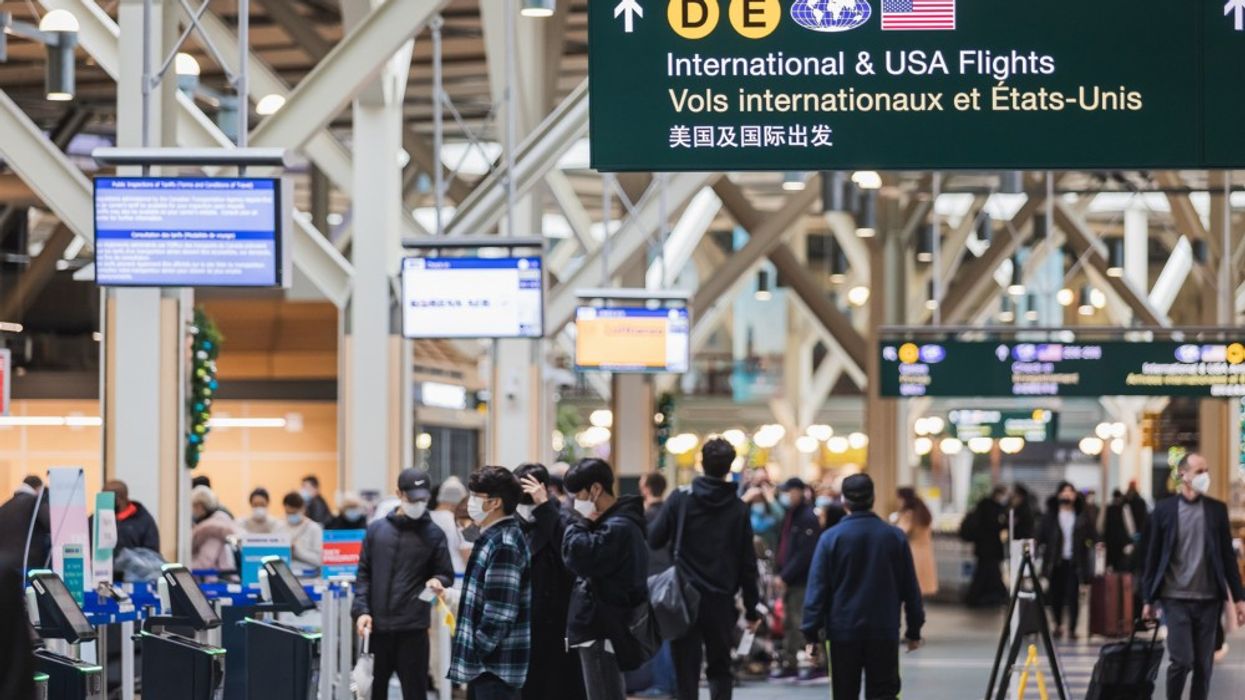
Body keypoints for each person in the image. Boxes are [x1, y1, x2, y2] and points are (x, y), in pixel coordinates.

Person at [649, 438, 762, 700]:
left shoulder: (680, 498)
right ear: (729, 467)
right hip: (721, 600)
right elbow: (747, 564)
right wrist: (752, 606)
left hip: (684, 597)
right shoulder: (738, 508)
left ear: (701, 463)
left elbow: (655, 538)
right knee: (720, 668)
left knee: (685, 671)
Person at [802, 474, 925, 700]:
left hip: (842, 632)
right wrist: (914, 629)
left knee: (844, 693)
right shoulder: (894, 537)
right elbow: (910, 587)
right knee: (884, 693)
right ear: (873, 498)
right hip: (884, 629)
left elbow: (817, 590)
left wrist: (811, 635)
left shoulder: (830, 538)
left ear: (844, 501)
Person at [1141, 453, 1245, 700]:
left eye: (1206, 470)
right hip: (1174, 598)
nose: (1204, 476)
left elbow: (1227, 560)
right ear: (1183, 475)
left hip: (1209, 600)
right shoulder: (1164, 510)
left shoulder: (1216, 510)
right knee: (1181, 660)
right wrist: (1147, 599)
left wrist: (1240, 600)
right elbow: (1152, 558)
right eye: (1199, 471)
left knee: (1203, 664)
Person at [353, 468, 454, 700]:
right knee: (371, 693)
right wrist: (361, 611)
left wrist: (438, 581)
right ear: (399, 493)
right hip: (376, 630)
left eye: (423, 499)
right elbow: (364, 575)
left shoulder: (434, 534)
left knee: (415, 693)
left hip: (413, 631)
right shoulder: (377, 531)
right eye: (412, 498)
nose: (418, 504)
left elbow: (445, 572)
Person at [562, 458, 649, 700]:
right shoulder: (619, 522)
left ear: (596, 489)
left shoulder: (617, 527)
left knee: (603, 692)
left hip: (602, 626)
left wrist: (581, 522)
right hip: (604, 625)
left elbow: (576, 554)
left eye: (577, 494)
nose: (574, 502)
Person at [447, 466, 532, 700]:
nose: (471, 501)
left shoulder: (503, 543)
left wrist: (476, 648)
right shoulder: (492, 536)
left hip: (496, 666)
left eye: (476, 496)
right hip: (489, 666)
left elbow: (501, 613)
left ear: (495, 503)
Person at [513, 463, 585, 700]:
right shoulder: (512, 520)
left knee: (558, 686)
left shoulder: (563, 517)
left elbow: (571, 554)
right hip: (521, 623)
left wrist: (544, 506)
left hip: (557, 623)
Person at [771, 477, 821, 680]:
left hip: (802, 580)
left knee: (804, 623)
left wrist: (785, 575)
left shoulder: (807, 517)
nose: (786, 496)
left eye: (789, 491)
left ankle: (817, 664)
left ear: (800, 491)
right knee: (790, 623)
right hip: (791, 579)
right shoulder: (791, 515)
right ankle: (790, 663)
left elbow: (805, 553)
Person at [1037, 482, 1095, 639]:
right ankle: (1057, 625)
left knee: (1073, 595)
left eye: (1070, 491)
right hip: (1055, 562)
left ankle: (1072, 628)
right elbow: (1040, 537)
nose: (1067, 494)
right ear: (1058, 495)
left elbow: (1093, 536)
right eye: (1064, 491)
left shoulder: (1082, 517)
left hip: (1075, 562)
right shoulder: (1050, 517)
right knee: (1055, 595)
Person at [960, 485, 1008, 607]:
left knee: (984, 573)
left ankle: (977, 598)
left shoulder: (983, 506)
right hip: (989, 548)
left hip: (982, 548)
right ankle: (998, 596)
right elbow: (995, 526)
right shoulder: (994, 509)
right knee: (988, 574)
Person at [0, 476, 49, 573]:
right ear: (38, 488)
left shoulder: (4, 506)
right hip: (28, 563)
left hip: (4, 565)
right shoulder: (35, 502)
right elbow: (50, 523)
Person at [896, 487, 938, 597]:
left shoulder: (908, 514)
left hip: (914, 552)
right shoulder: (923, 511)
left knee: (912, 586)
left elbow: (901, 531)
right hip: (926, 552)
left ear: (903, 499)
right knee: (920, 589)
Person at [103, 480, 160, 557]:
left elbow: (152, 554)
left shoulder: (143, 521)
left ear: (119, 499)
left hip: (135, 568)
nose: (102, 502)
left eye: (105, 498)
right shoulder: (95, 520)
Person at [189, 486, 240, 572]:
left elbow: (204, 563)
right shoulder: (219, 524)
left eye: (194, 506)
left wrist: (184, 567)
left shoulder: (212, 530)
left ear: (200, 506)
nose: (192, 510)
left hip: (216, 580)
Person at [429, 476, 471, 577]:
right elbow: (467, 554)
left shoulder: (427, 518)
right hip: (456, 580)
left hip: (431, 580)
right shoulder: (458, 522)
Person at [282, 492, 324, 572]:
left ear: (303, 509)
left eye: (294, 513)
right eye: (288, 513)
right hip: (286, 573)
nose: (291, 515)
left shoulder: (314, 528)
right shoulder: (280, 526)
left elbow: (319, 560)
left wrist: (296, 551)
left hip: (309, 574)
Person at [1102, 489, 1139, 573]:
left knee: (1113, 567)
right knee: (1122, 567)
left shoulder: (1109, 508)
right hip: (1121, 542)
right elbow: (1130, 525)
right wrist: (1131, 539)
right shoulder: (1124, 508)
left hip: (1111, 542)